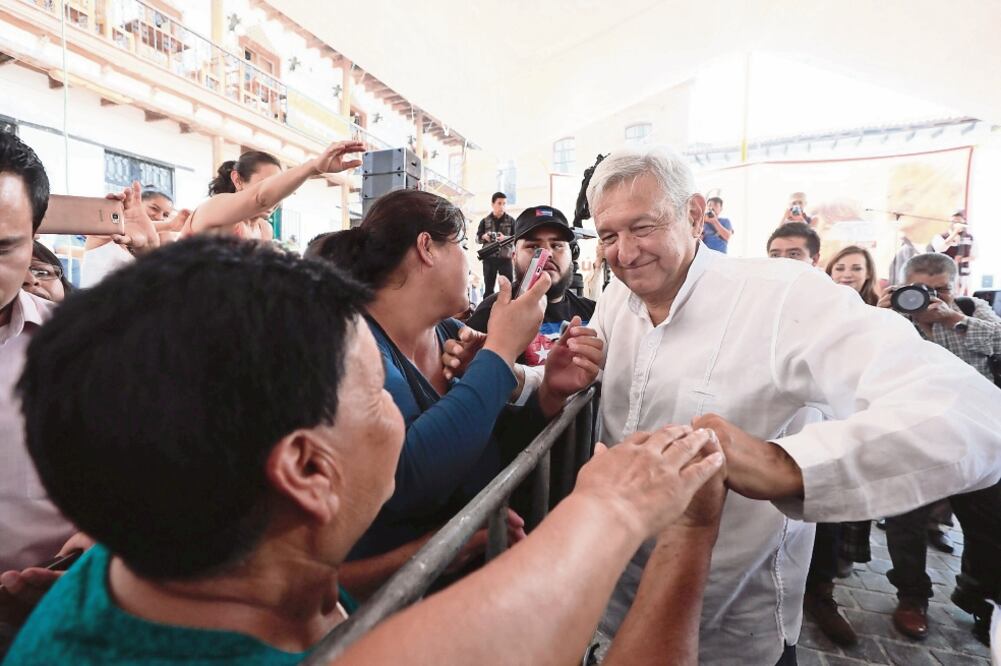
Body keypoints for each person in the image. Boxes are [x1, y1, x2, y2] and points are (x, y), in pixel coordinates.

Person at [7, 235, 727, 665]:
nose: (400, 410)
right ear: (308, 469)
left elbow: (313, 581)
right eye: (379, 395)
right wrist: (651, 518)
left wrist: (454, 547)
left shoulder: (160, 549)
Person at [579, 146, 1000, 665]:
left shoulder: (781, 297)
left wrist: (787, 465)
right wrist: (533, 380)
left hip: (731, 632)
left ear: (693, 216)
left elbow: (971, 410)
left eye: (641, 227)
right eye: (607, 236)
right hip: (615, 613)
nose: (623, 252)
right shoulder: (617, 297)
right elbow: (589, 362)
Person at [307, 190, 602, 572]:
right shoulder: (354, 344)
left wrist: (547, 393)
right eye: (462, 245)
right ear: (427, 247)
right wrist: (499, 350)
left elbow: (482, 442)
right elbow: (407, 476)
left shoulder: (448, 333)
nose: (470, 262)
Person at [877, 252, 1001, 646]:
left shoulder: (972, 310)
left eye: (940, 289)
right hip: (912, 437)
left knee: (990, 529)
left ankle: (980, 598)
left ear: (956, 288)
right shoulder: (889, 319)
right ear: (900, 287)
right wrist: (880, 317)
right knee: (904, 523)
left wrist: (954, 318)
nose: (929, 297)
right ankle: (912, 598)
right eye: (918, 288)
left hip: (974, 440)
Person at [767, 237, 860, 648]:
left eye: (794, 254)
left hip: (829, 442)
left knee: (826, 523)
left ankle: (820, 596)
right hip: (780, 447)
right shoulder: (767, 306)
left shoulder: (843, 311)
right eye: (776, 254)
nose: (784, 263)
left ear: (814, 259)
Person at [465, 205, 596, 367]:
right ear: (514, 257)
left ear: (572, 255)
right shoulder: (491, 312)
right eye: (533, 246)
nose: (546, 254)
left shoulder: (595, 313)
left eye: (557, 245)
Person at [182, 141, 363, 240]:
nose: (276, 197)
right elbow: (260, 198)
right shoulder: (214, 207)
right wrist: (313, 167)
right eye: (266, 184)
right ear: (237, 179)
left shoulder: (263, 229)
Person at [80, 187, 183, 288]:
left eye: (165, 215)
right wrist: (169, 225)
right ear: (136, 203)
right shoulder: (106, 234)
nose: (160, 217)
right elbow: (130, 227)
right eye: (154, 208)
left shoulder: (155, 247)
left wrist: (168, 229)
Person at [475, 192, 515, 296]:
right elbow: (477, 239)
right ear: (493, 204)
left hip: (506, 259)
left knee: (509, 288)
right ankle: (486, 311)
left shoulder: (511, 221)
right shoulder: (484, 221)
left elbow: (517, 238)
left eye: (504, 203)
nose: (502, 206)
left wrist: (504, 238)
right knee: (488, 291)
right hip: (489, 259)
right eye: (499, 203)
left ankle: (509, 311)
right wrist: (484, 237)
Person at [929, 210, 976, 295]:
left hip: (963, 274)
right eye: (954, 221)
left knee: (960, 298)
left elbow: (975, 255)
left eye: (959, 221)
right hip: (944, 274)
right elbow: (941, 248)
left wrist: (962, 260)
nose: (956, 223)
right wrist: (955, 232)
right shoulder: (940, 236)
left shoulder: (969, 238)